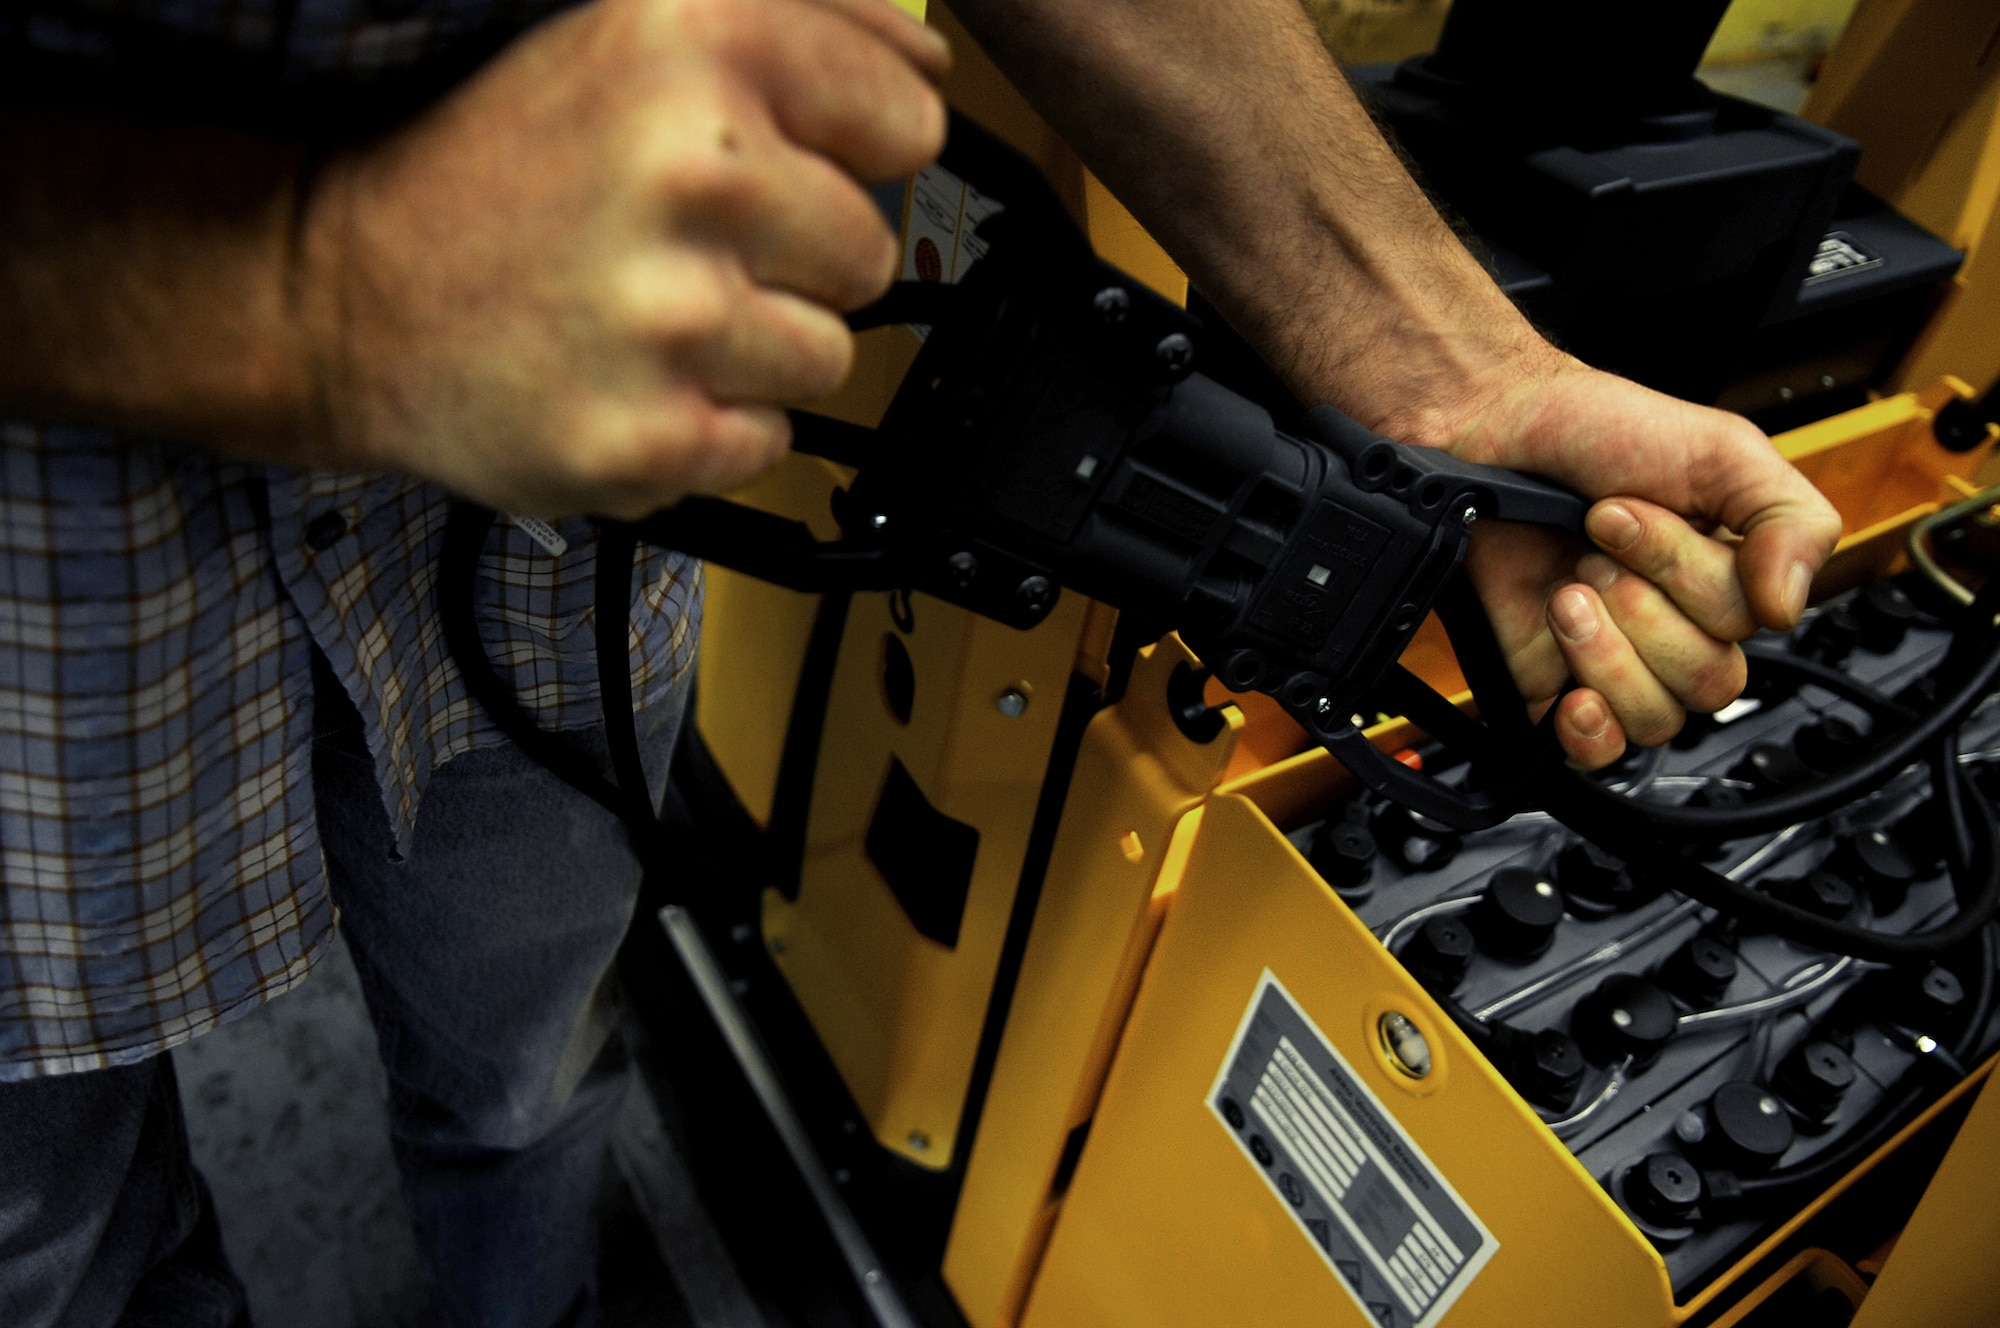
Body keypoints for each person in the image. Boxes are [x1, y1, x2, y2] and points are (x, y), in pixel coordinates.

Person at [0, 0, 1842, 1323]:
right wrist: (315, 291)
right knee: (51, 1246)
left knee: (529, 1060)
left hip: (544, 531)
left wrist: (1454, 377)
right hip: (41, 619)